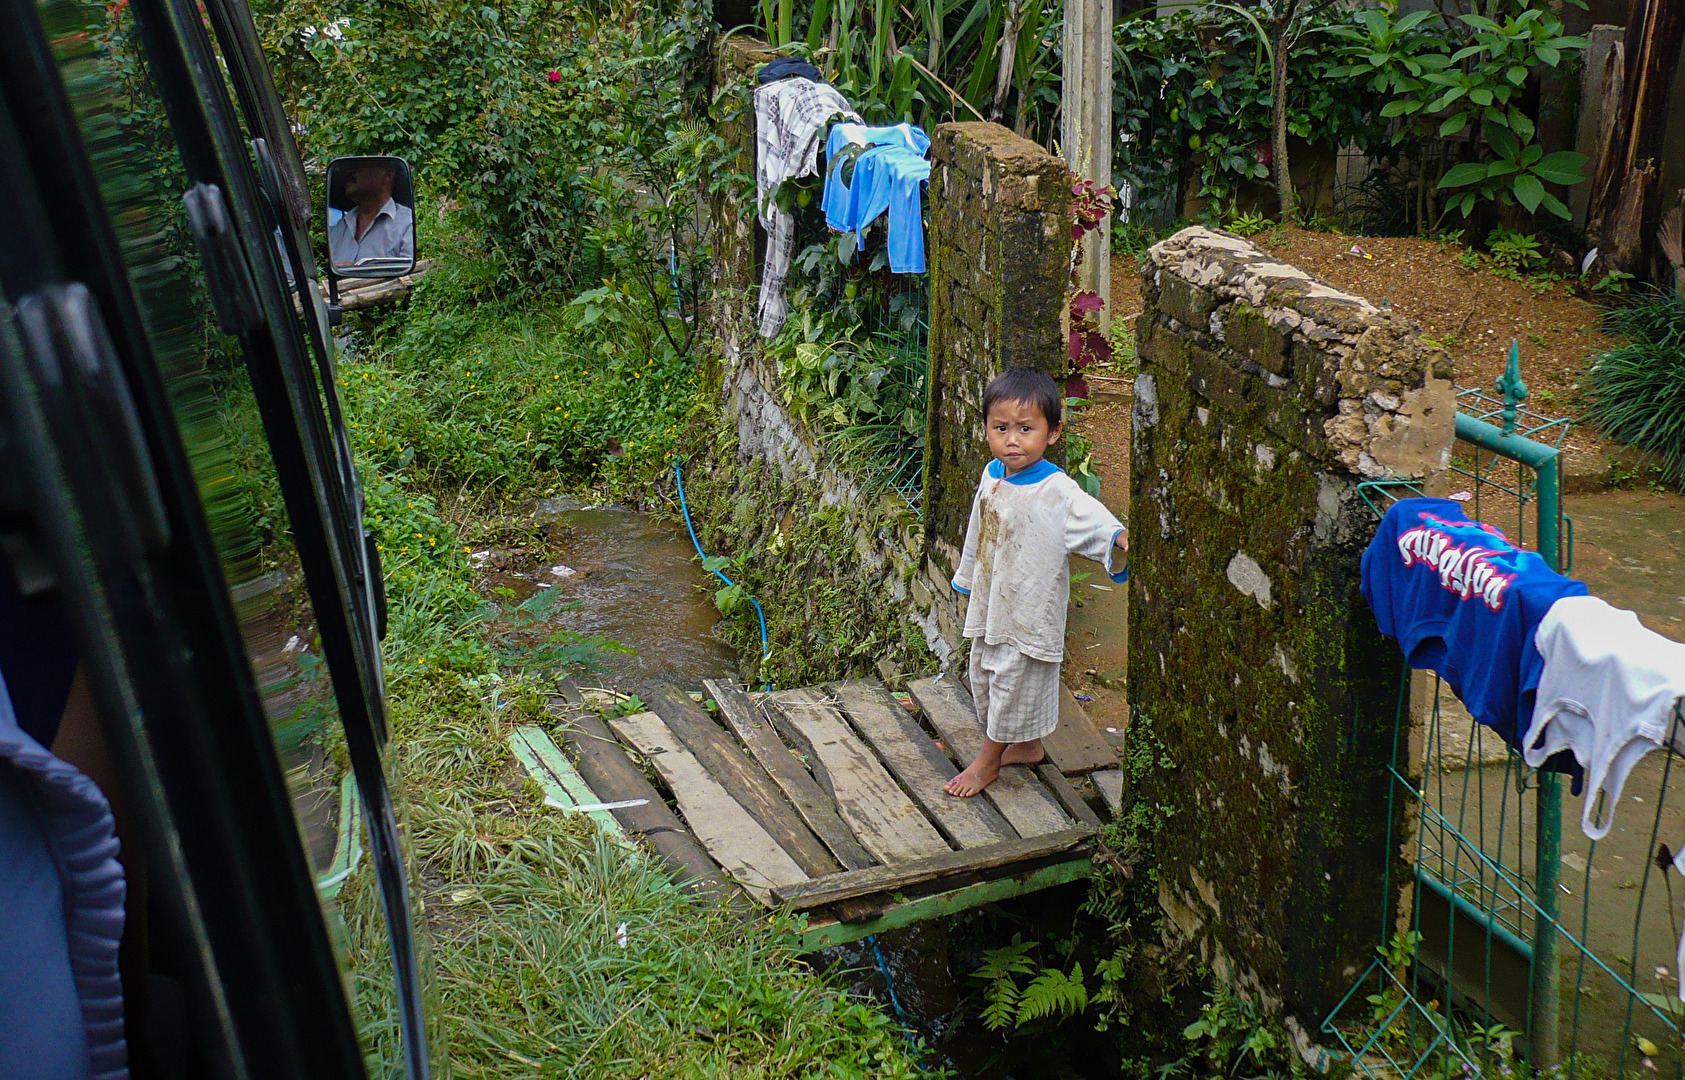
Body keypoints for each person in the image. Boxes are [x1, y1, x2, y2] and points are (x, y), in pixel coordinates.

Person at [944, 368, 1128, 797]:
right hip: (994, 602)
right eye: (1001, 428)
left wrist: (1118, 537)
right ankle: (1027, 746)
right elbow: (978, 530)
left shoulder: (1057, 491)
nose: (1012, 440)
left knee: (1012, 683)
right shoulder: (992, 475)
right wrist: (969, 579)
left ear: (1053, 432)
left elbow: (1093, 519)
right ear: (986, 428)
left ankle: (988, 761)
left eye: (1026, 429)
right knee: (985, 674)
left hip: (1030, 611)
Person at [328, 160, 413, 268]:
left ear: (388, 174)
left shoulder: (407, 223)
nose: (350, 172)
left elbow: (411, 273)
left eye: (359, 165)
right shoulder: (340, 227)